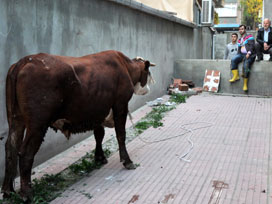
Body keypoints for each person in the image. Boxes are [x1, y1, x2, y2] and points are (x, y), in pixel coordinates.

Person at [229, 25, 256, 92]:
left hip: (250, 55)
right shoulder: (239, 39)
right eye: (240, 29)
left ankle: (245, 84)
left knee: (246, 65)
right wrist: (237, 56)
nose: (241, 30)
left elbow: (252, 46)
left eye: (242, 29)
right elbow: (239, 49)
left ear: (245, 29)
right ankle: (236, 76)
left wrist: (249, 53)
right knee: (233, 60)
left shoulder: (249, 36)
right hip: (241, 54)